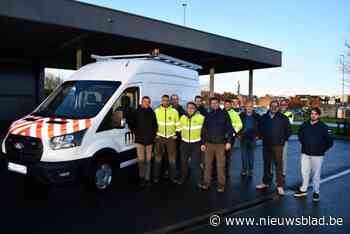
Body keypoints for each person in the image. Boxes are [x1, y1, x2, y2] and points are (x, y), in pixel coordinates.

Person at [294, 107, 333, 202]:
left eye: (315, 114)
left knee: (316, 174)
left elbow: (330, 142)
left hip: (318, 155)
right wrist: (305, 144)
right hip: (305, 153)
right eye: (312, 113)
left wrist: (321, 149)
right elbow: (300, 136)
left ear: (318, 115)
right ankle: (303, 189)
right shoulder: (305, 124)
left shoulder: (323, 126)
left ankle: (316, 192)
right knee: (304, 172)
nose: (313, 115)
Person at [256, 100, 292, 196]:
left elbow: (288, 131)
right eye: (272, 106)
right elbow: (259, 128)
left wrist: (282, 140)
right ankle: (265, 182)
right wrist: (260, 136)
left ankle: (279, 185)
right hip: (266, 145)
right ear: (269, 106)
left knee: (278, 166)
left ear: (278, 107)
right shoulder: (264, 117)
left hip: (278, 145)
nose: (274, 107)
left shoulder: (283, 118)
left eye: (276, 106)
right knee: (266, 165)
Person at [199, 97, 234, 193]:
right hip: (208, 144)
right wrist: (202, 143)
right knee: (208, 165)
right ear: (210, 104)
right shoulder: (208, 115)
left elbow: (229, 129)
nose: (214, 104)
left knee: (220, 165)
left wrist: (229, 142)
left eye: (216, 103)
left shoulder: (224, 114)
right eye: (212, 103)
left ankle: (221, 185)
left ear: (219, 104)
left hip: (220, 145)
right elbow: (204, 130)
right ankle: (206, 183)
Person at [130, 96, 158, 187]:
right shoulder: (136, 112)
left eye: (148, 102)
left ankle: (147, 178)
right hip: (140, 141)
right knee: (141, 160)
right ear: (141, 102)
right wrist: (135, 132)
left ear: (149, 103)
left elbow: (155, 126)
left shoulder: (152, 112)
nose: (146, 103)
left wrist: (153, 136)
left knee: (148, 161)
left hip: (149, 141)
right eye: (145, 101)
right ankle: (141, 178)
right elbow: (131, 123)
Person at [153, 95, 180, 184]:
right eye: (163, 100)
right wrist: (155, 134)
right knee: (158, 159)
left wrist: (176, 134)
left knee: (172, 160)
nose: (165, 102)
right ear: (161, 101)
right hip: (159, 138)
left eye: (167, 100)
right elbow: (153, 124)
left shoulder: (174, 111)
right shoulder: (156, 111)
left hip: (170, 139)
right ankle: (156, 177)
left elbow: (178, 125)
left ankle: (173, 177)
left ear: (169, 101)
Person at [178, 102, 205, 184]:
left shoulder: (201, 118)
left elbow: (204, 131)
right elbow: (179, 129)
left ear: (195, 109)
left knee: (196, 163)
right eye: (189, 108)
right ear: (186, 109)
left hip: (196, 144)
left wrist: (203, 143)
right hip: (184, 143)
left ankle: (199, 180)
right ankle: (183, 177)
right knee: (183, 162)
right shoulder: (182, 117)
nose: (190, 109)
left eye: (192, 108)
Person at [238, 100, 260, 177]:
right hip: (243, 138)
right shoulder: (241, 115)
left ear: (253, 107)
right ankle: (244, 170)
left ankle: (250, 170)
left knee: (251, 156)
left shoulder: (257, 116)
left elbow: (260, 127)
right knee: (243, 155)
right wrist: (238, 135)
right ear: (245, 107)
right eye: (247, 106)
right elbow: (237, 126)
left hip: (252, 138)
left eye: (251, 106)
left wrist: (258, 136)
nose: (249, 108)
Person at [223, 99, 242, 178]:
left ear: (231, 105)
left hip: (230, 138)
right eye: (225, 104)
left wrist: (233, 133)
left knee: (227, 155)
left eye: (228, 104)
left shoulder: (234, 114)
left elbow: (239, 125)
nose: (227, 106)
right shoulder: (221, 112)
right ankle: (217, 171)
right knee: (220, 155)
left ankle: (226, 172)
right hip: (221, 137)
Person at [280, 99, 294, 178]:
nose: (283, 106)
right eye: (281, 104)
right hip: (276, 138)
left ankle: (283, 172)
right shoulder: (277, 112)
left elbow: (288, 124)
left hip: (284, 138)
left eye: (284, 105)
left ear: (287, 106)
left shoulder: (289, 113)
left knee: (283, 157)